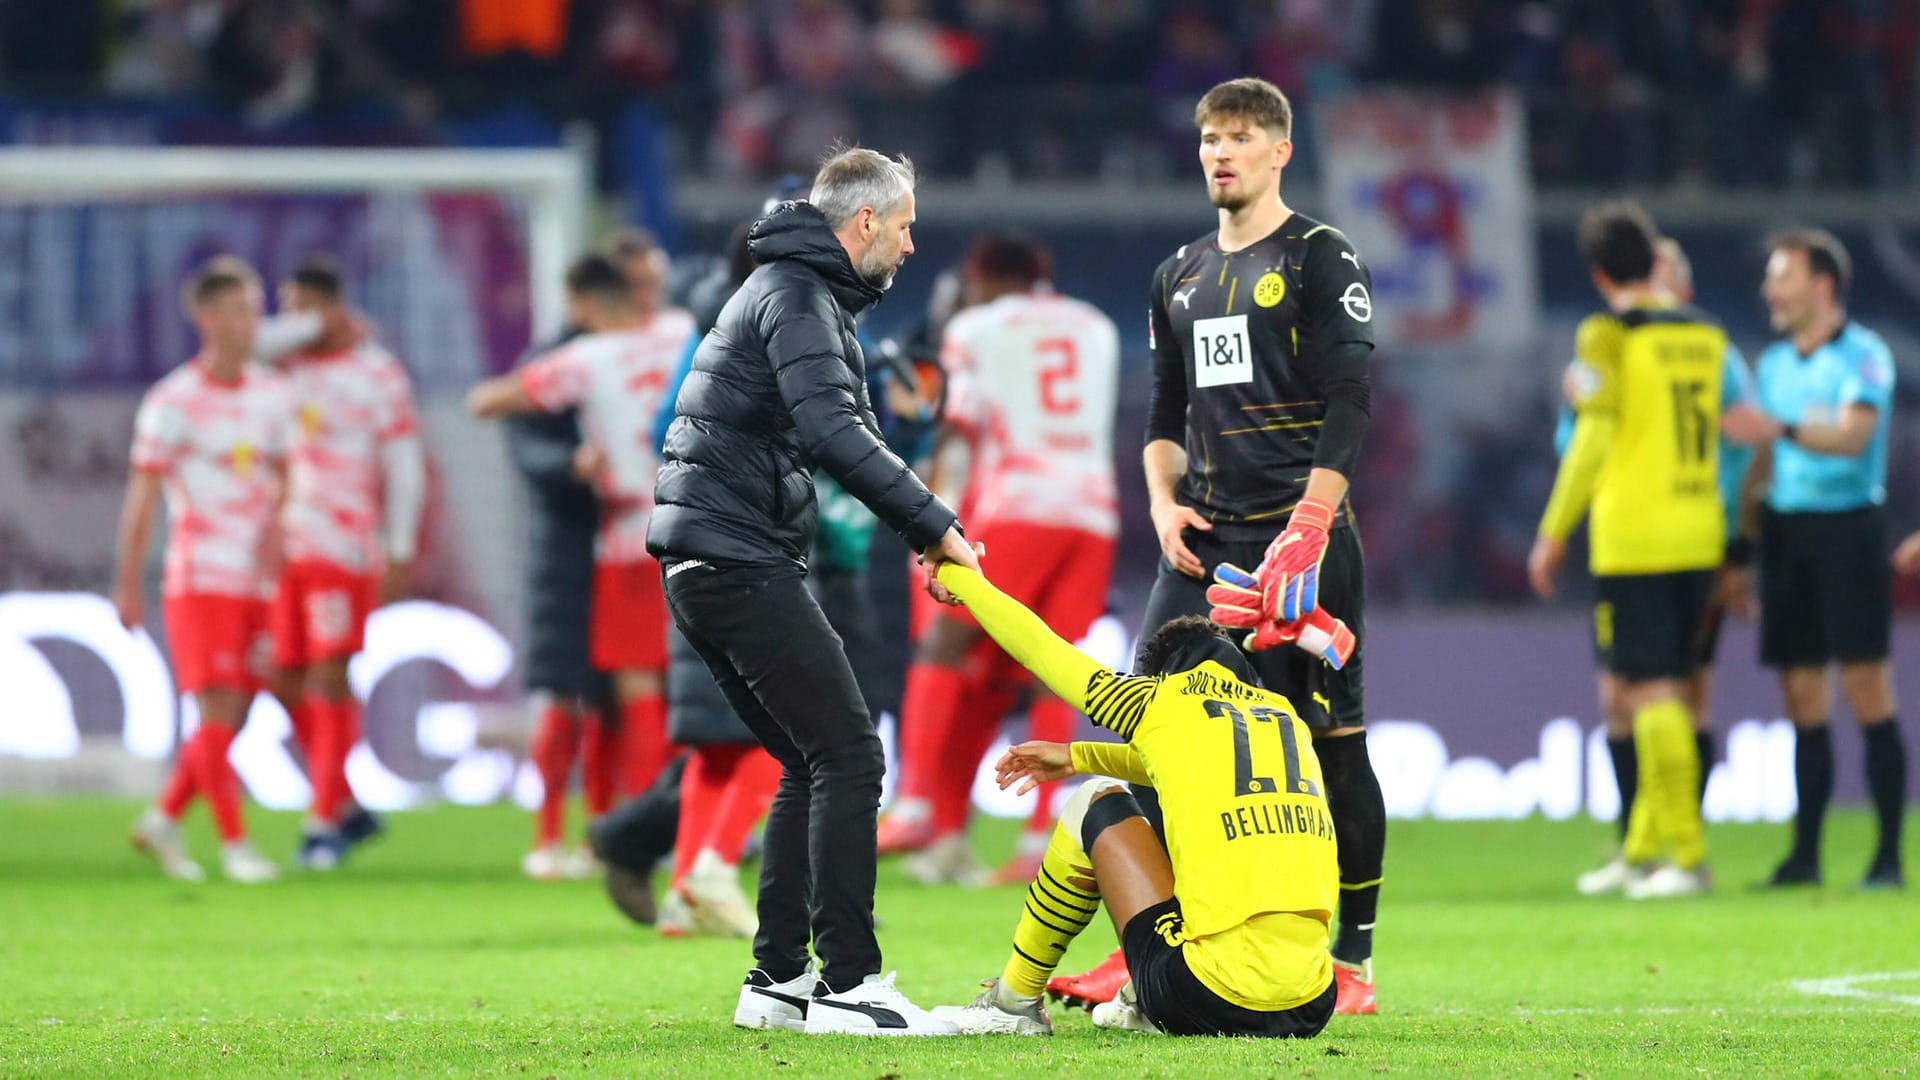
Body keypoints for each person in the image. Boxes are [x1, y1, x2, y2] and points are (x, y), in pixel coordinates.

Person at [1053, 76, 1382, 1017]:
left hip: (1303, 547)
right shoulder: (1179, 275)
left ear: (1281, 150)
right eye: (1208, 139)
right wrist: (1162, 503)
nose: (1220, 153)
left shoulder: (1321, 256)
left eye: (1240, 137)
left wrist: (1312, 522)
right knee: (1148, 734)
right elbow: (1164, 414)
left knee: (1325, 747)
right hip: (1201, 550)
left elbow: (1350, 401)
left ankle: (1352, 959)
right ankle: (1145, 943)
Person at [649, 145, 977, 1036]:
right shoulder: (797, 295)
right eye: (905, 226)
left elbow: (846, 428)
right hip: (735, 554)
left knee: (807, 758)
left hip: (707, 556)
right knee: (850, 755)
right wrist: (936, 524)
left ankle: (778, 982)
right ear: (864, 221)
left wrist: (914, 512)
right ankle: (851, 985)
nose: (912, 246)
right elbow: (833, 431)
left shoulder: (789, 290)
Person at [926, 564, 1338, 1038]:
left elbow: (1040, 647)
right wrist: (1079, 754)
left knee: (1093, 801)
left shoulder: (1161, 701)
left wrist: (959, 577)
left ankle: (1012, 1003)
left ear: (1162, 675)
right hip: (1311, 1004)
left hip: (1212, 995)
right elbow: (1186, 769)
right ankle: (1139, 1002)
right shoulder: (1287, 721)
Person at [878, 233, 1122, 887]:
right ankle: (1039, 836)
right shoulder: (1096, 327)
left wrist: (931, 514)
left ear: (981, 277)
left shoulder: (976, 326)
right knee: (1051, 669)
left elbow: (956, 428)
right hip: (1093, 511)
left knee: (945, 645)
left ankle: (915, 806)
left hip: (1017, 505)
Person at [1530, 201, 1748, 900]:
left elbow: (1592, 438)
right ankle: (1642, 849)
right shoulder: (1706, 333)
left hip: (1637, 537)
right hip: (1699, 527)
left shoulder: (1606, 335)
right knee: (1658, 692)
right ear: (1653, 260)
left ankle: (1686, 858)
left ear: (1598, 273)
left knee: (1650, 693)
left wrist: (1553, 530)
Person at [468, 251, 695, 880]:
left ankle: (641, 831)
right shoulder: (683, 330)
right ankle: (682, 826)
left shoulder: (584, 358)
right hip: (701, 526)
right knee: (686, 689)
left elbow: (487, 402)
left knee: (635, 686)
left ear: (589, 306)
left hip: (628, 536)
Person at [1722, 228, 1906, 891]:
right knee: (1802, 696)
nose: (1770, 290)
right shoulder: (1772, 365)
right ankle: (1805, 857)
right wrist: (1741, 546)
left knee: (1865, 689)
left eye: (1782, 277)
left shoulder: (1863, 357)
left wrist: (1782, 429)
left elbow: (1856, 438)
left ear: (1820, 285)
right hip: (1788, 535)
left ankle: (1887, 857)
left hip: (1849, 531)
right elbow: (1763, 460)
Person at [119, 258, 288, 885]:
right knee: (218, 708)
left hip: (256, 582)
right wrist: (128, 581)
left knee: (239, 712)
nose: (255, 321)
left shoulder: (271, 395)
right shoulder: (173, 400)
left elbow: (286, 477)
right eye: (244, 308)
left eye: (257, 308)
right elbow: (142, 496)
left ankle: (164, 817)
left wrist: (280, 529)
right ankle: (236, 845)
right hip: (201, 576)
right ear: (209, 319)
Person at [264, 256, 425, 870]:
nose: (292, 321)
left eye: (301, 306)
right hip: (286, 545)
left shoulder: (376, 373)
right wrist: (307, 327)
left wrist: (400, 544)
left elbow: (403, 463)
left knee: (330, 675)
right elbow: (237, 346)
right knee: (282, 677)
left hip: (345, 545)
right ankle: (347, 802)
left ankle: (321, 822)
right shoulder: (278, 365)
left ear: (330, 303)